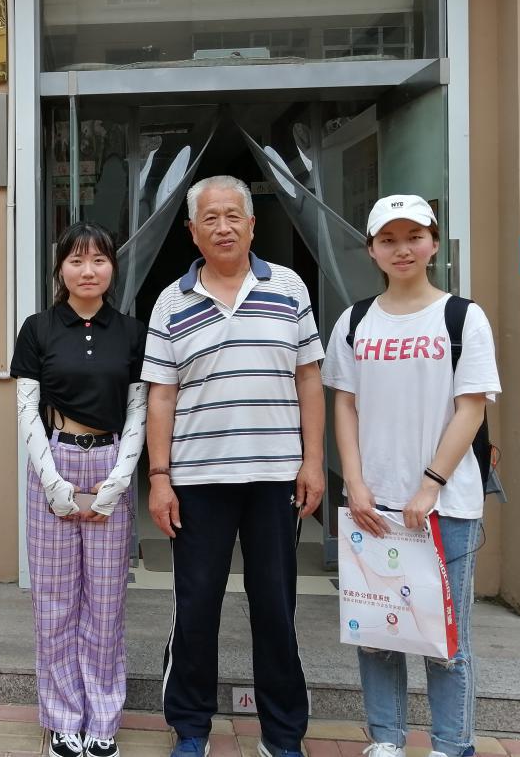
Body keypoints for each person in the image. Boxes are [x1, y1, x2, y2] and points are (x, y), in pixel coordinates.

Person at [142, 175, 324, 757]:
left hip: (275, 478)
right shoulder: (171, 301)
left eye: (232, 216)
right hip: (198, 481)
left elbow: (309, 379)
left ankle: (283, 735)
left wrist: (314, 462)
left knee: (276, 607)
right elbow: (160, 396)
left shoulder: (289, 287)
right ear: (192, 232)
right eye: (210, 218)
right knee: (196, 607)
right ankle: (191, 728)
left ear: (251, 224)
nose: (223, 227)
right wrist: (159, 478)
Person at [321, 195, 500, 757]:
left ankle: (451, 744)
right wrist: (355, 482)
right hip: (373, 503)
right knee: (377, 632)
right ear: (372, 250)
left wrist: (429, 486)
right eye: (389, 240)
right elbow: (344, 404)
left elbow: (471, 407)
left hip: (446, 504)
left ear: (433, 243)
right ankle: (386, 741)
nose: (402, 249)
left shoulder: (462, 317)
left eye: (414, 237)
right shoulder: (355, 321)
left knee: (447, 639)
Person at [11, 221, 148, 757]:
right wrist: (52, 482)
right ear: (60, 268)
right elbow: (27, 410)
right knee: (54, 605)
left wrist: (119, 481)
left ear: (112, 267)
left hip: (111, 459)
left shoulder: (131, 332)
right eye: (76, 260)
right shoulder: (39, 328)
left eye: (99, 260)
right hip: (55, 458)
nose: (87, 271)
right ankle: (64, 720)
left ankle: (103, 722)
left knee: (106, 606)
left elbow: (138, 410)